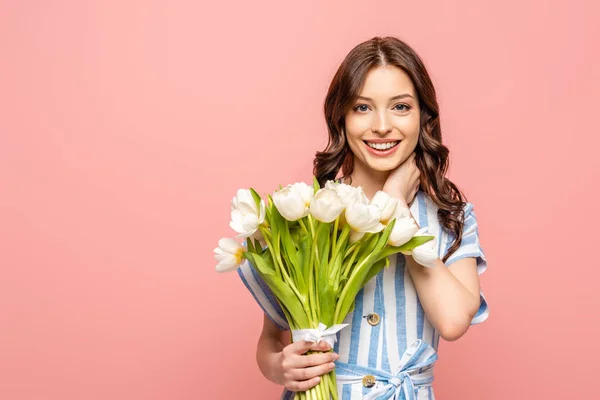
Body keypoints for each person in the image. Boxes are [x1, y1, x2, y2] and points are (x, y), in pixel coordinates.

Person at [237, 36, 489, 400]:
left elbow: (452, 321)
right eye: (362, 108)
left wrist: (395, 207)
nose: (382, 126)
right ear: (341, 116)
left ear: (424, 115)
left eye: (401, 107)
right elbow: (271, 339)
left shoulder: (450, 216)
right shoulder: (308, 212)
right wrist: (281, 368)